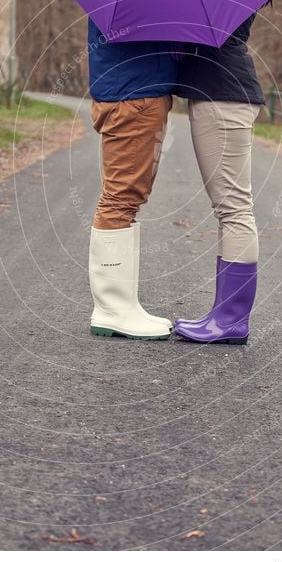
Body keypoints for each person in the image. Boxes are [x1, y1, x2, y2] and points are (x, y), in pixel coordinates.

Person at [172, 14, 265, 344]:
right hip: (220, 93)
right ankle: (223, 314)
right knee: (231, 210)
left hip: (223, 97)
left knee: (234, 209)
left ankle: (231, 319)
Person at [87, 17, 177, 340]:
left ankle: (122, 304)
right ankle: (113, 309)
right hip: (133, 91)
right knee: (120, 198)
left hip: (132, 88)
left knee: (125, 198)